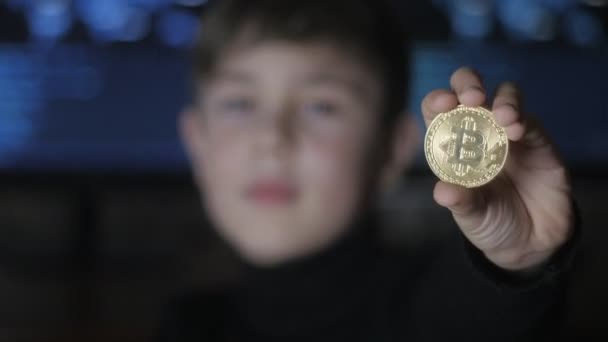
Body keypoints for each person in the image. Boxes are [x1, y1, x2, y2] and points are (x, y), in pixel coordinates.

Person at [159, 0, 580, 340]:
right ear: (196, 140)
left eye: (321, 106)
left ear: (393, 150)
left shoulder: (427, 309)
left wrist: (513, 264)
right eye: (240, 104)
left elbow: (472, 319)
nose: (272, 138)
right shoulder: (188, 324)